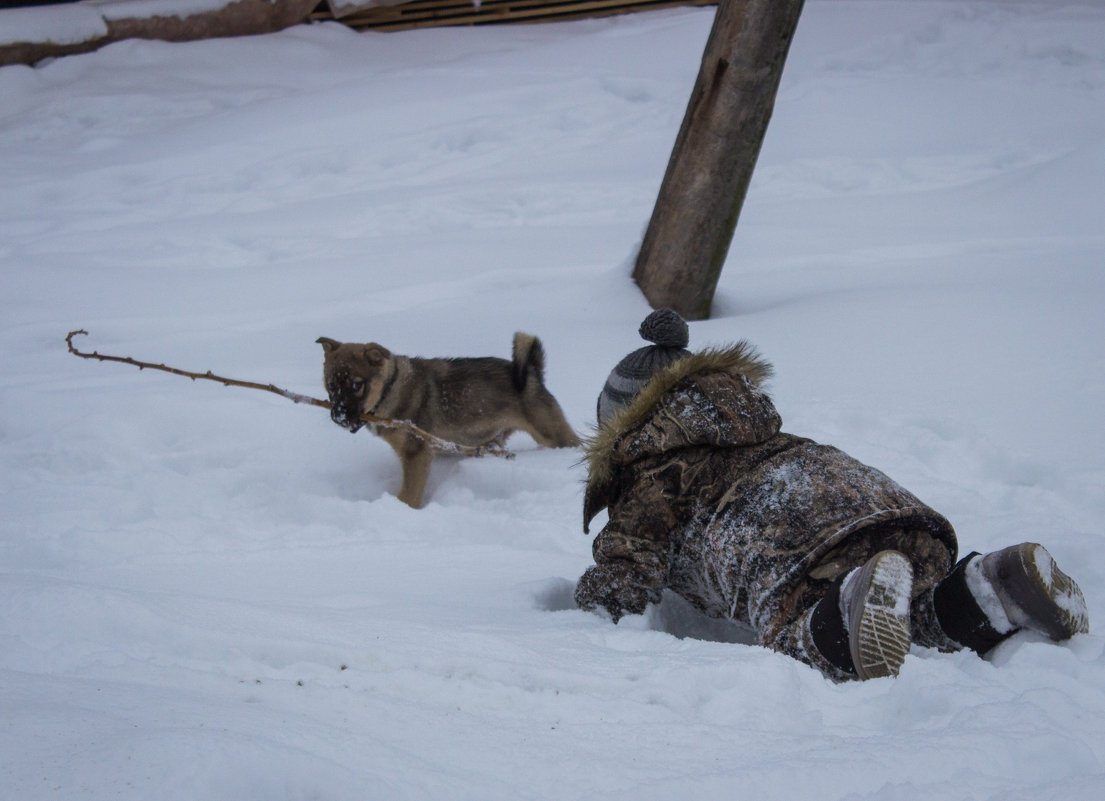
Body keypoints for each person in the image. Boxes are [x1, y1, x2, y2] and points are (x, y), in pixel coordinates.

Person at [575, 309, 1090, 681]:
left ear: (623, 428)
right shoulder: (749, 426)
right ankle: (994, 586)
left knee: (802, 628)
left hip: (791, 538)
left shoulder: (652, 471)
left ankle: (843, 612)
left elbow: (626, 564)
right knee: (923, 611)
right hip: (879, 505)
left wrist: (599, 598)